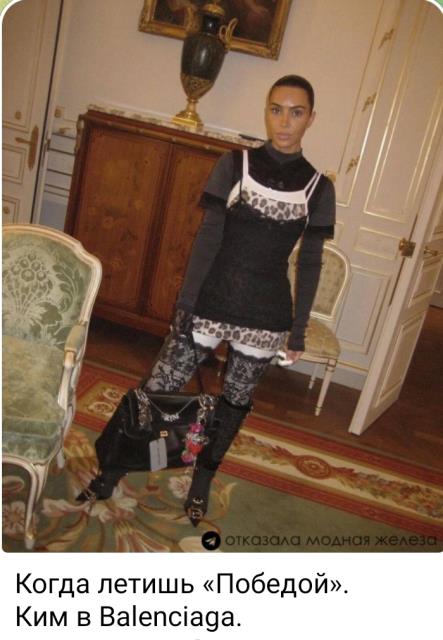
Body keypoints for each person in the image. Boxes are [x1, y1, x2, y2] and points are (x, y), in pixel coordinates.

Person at [143, 74, 336, 526]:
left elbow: (309, 263)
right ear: (266, 111)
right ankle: (121, 462)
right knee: (157, 387)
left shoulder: (319, 188)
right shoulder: (234, 164)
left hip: (266, 314)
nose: (284, 122)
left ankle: (202, 480)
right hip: (212, 301)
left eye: (296, 112)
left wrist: (298, 331)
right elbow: (208, 238)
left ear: (311, 118)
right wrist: (185, 305)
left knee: (233, 405)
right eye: (276, 109)